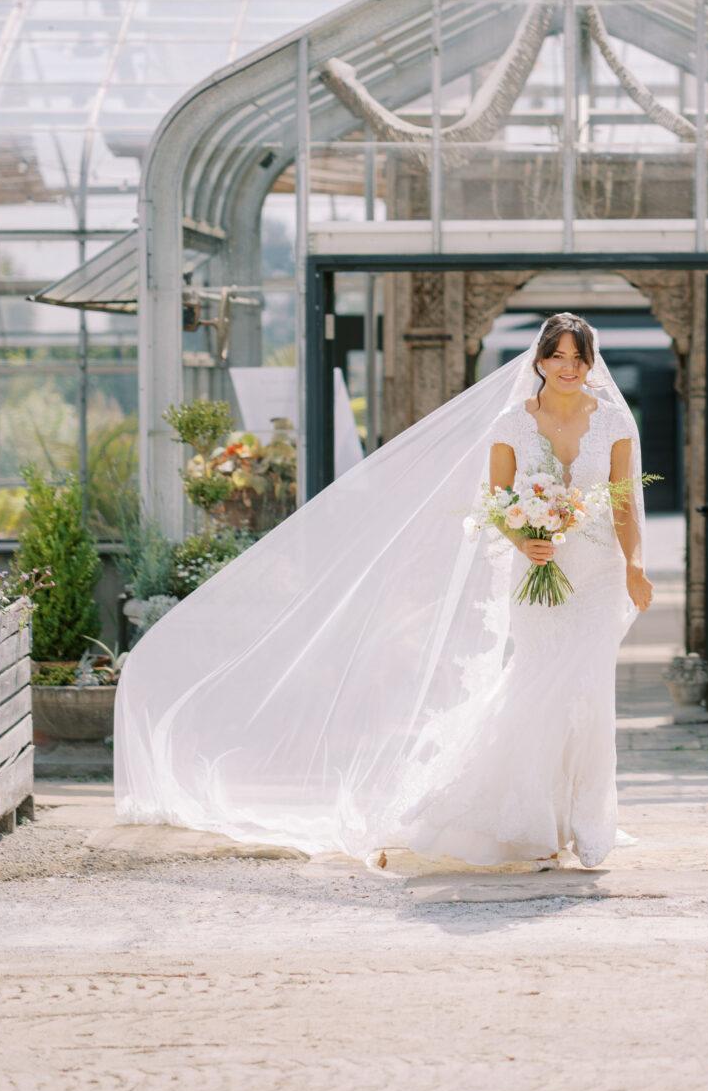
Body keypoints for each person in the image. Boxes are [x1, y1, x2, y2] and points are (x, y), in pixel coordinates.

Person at [114, 311, 654, 871]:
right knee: (540, 688)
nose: (568, 366)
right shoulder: (512, 423)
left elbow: (623, 505)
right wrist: (525, 541)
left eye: (578, 357)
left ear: (591, 364)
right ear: (539, 361)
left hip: (595, 576)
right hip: (537, 576)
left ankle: (587, 821)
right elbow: (497, 503)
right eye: (557, 356)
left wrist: (635, 566)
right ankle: (533, 823)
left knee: (588, 695)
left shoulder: (614, 421)